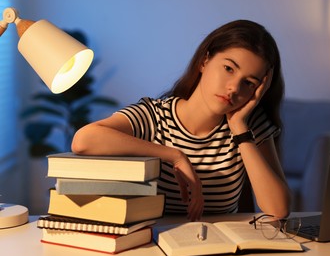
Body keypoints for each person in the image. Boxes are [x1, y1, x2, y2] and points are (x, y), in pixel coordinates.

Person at [71, 20, 291, 221]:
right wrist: (175, 156)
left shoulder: (249, 127)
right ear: (205, 61)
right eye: (228, 69)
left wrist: (240, 129)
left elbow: (278, 209)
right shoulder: (155, 116)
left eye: (249, 83)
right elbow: (83, 140)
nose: (234, 87)